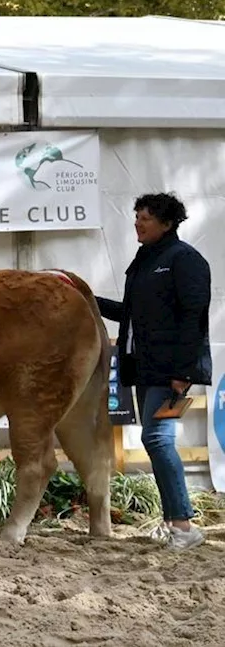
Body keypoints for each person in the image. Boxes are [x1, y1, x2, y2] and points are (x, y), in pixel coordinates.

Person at [97, 193, 210, 551]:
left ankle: (183, 525)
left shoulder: (185, 260)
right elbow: (129, 314)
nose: (137, 223)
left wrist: (184, 371)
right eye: (136, 217)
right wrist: (88, 298)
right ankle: (173, 522)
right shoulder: (144, 261)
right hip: (145, 369)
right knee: (156, 440)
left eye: (145, 218)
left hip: (171, 372)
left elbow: (195, 318)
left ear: (167, 222)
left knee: (157, 440)